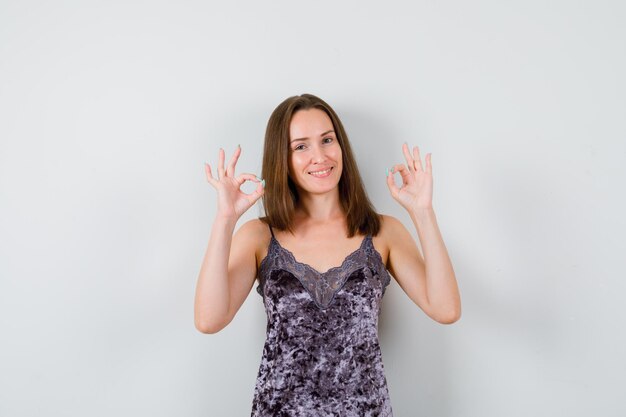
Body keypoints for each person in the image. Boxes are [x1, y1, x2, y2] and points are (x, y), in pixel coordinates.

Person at [194, 94, 461, 416]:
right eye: (301, 146)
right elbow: (209, 320)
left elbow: (446, 309)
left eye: (327, 140)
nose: (319, 156)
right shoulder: (258, 235)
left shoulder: (383, 231)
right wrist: (225, 219)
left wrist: (423, 212)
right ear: (282, 158)